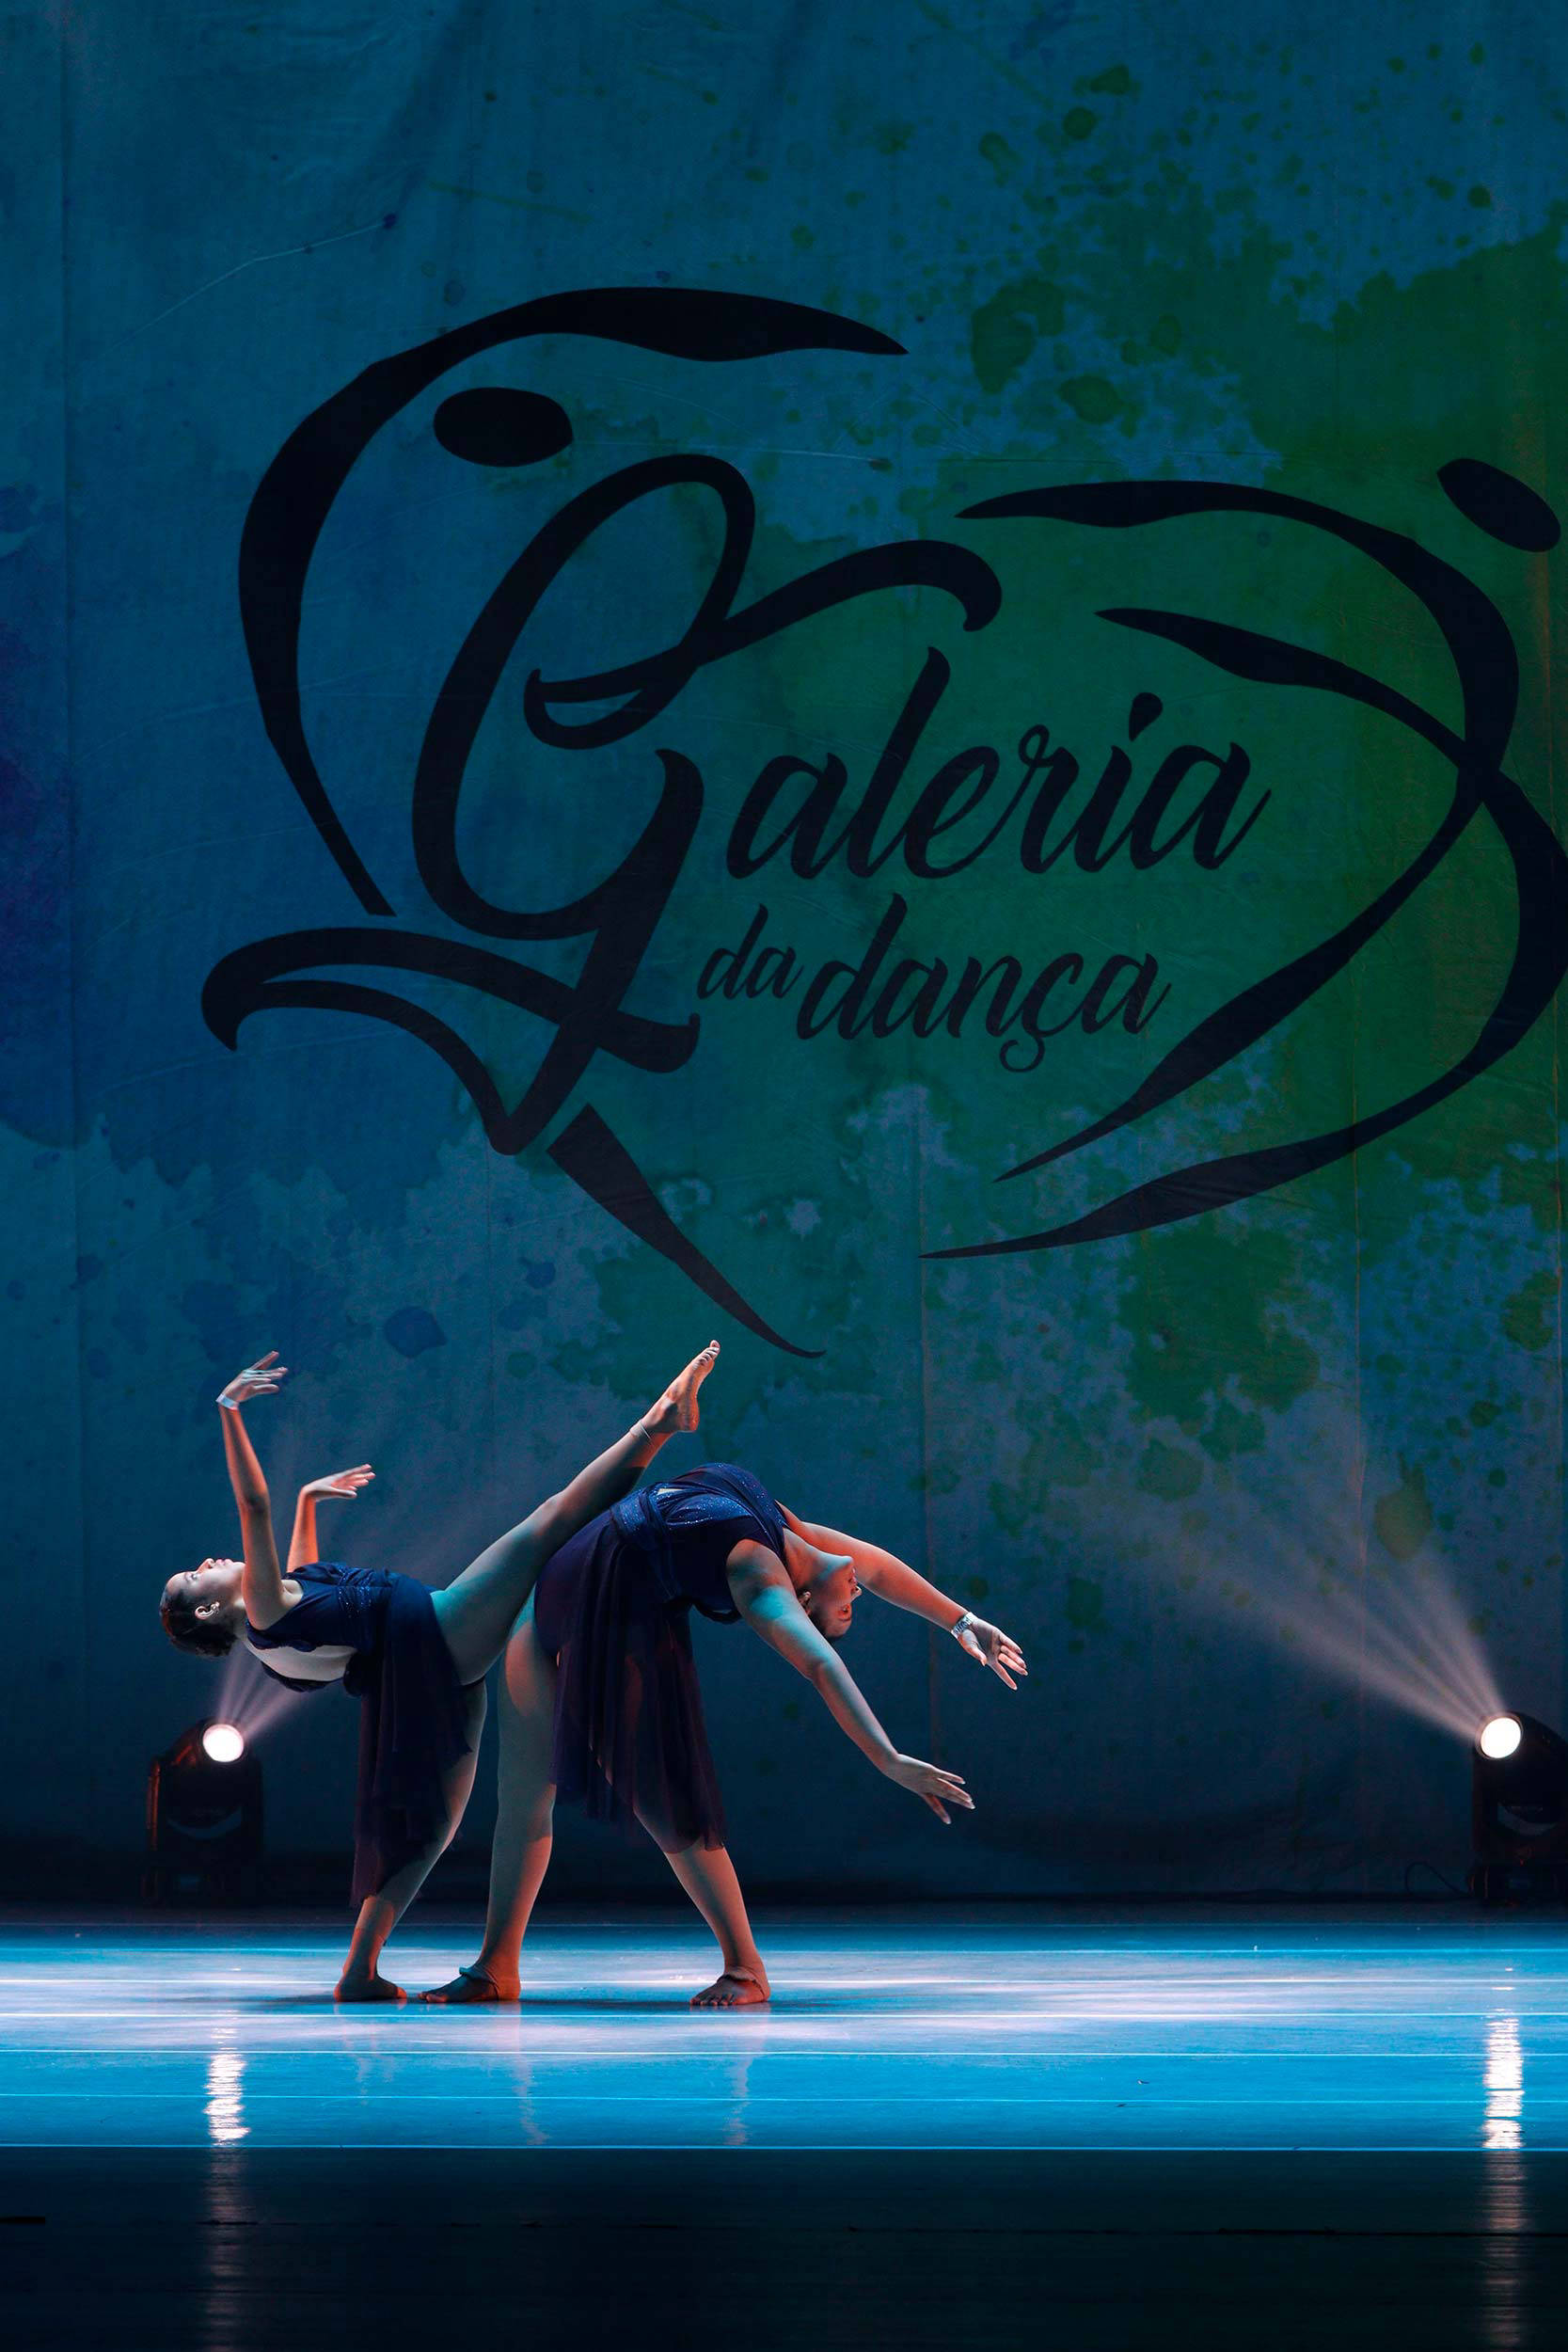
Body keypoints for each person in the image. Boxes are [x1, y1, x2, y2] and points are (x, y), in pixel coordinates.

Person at [158, 1342, 721, 1999]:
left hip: (430, 1675)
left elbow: (306, 1582)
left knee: (427, 1834)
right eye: (194, 1577)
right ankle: (656, 1424)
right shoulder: (260, 1610)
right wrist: (229, 1411)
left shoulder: (271, 1629)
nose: (206, 1562)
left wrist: (308, 1501)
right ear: (207, 1610)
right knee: (550, 1520)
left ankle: (360, 1971)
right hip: (439, 1632)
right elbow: (255, 1506)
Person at [420, 1460, 1027, 2010]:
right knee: (523, 1796)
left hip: (611, 1628)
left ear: (799, 1601)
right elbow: (874, 1571)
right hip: (552, 1602)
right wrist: (961, 1622)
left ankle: (746, 1968)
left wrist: (887, 1754)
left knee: (666, 1805)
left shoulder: (760, 1577)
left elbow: (821, 1662)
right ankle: (497, 1965)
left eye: (843, 1614)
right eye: (847, 1611)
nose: (855, 1599)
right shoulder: (783, 1531)